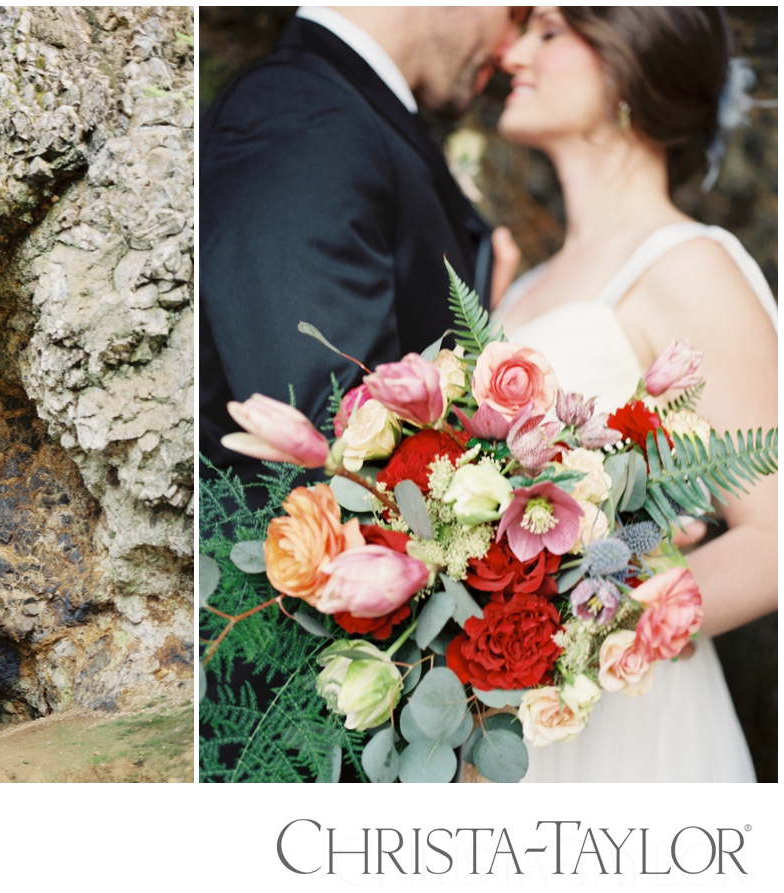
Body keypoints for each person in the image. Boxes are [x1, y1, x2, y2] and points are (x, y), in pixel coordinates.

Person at [492, 6, 777, 782]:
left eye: (548, 32)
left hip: (630, 723)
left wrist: (589, 627)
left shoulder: (692, 265)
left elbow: (774, 540)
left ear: (627, 61)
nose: (513, 52)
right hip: (503, 719)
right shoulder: (522, 284)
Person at [200, 6, 524, 496]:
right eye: (517, 13)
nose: (512, 50)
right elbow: (331, 447)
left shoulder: (349, 109)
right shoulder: (297, 108)